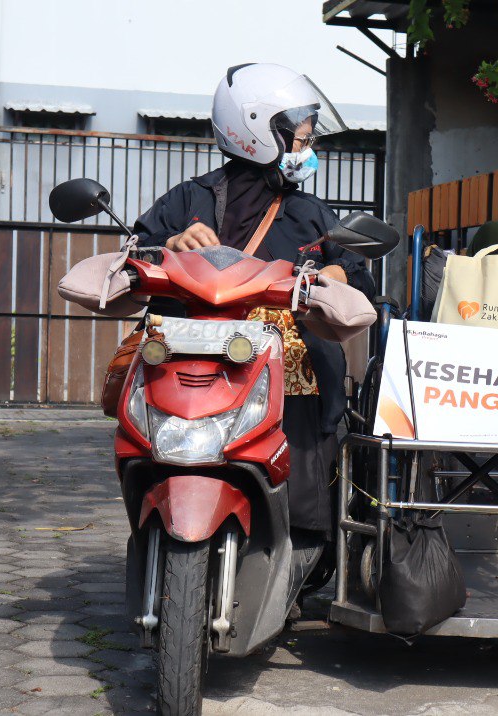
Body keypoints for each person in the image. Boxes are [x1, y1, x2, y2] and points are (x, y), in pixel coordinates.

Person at [128, 63, 376, 590]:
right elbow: (135, 255)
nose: (306, 149)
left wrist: (336, 273)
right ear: (259, 131)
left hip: (285, 379)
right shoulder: (187, 202)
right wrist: (167, 247)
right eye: (299, 138)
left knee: (311, 460)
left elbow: (355, 270)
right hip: (194, 371)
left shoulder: (309, 212)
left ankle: (302, 551)